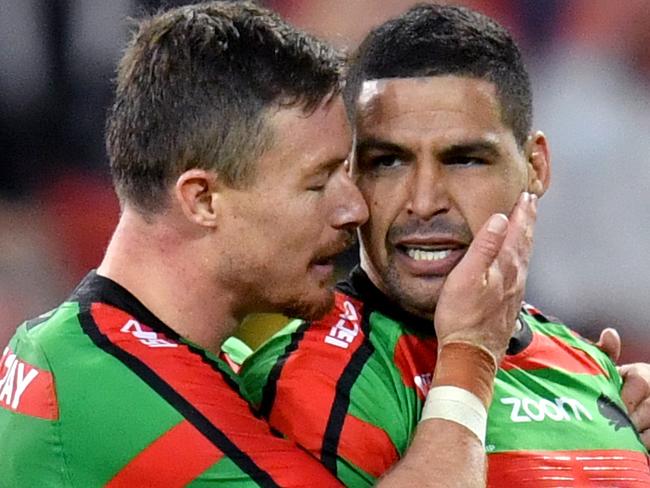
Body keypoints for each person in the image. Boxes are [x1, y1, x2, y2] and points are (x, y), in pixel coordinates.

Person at [0, 2, 536, 486]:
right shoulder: (112, 390)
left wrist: (587, 393)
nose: (354, 208)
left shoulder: (108, 352)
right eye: (319, 181)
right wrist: (470, 353)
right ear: (204, 199)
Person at [239, 4, 650, 487]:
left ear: (535, 167)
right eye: (388, 162)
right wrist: (469, 358)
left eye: (465, 160)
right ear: (349, 174)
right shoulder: (310, 380)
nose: (424, 202)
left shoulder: (596, 373)